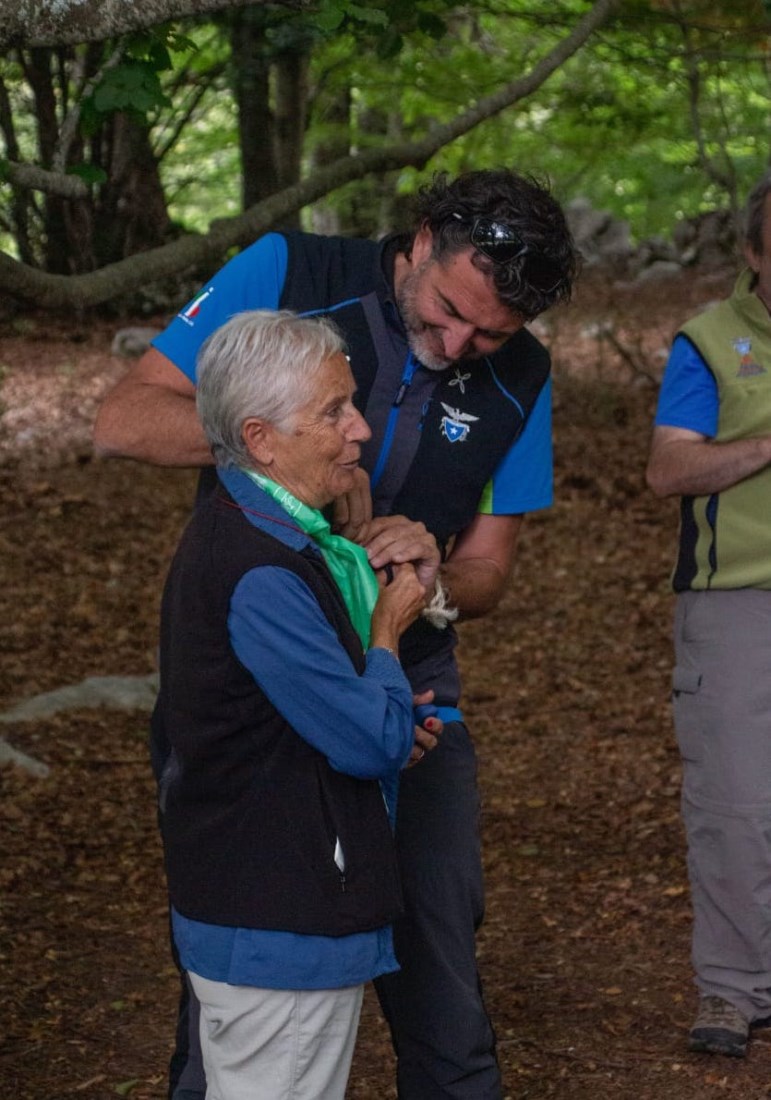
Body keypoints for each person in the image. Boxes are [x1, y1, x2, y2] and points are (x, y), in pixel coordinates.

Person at [95, 168, 578, 1100]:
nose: (456, 344)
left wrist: (433, 579)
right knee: (243, 970)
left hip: (415, 696)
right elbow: (123, 418)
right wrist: (290, 449)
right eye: (445, 312)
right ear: (425, 235)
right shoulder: (290, 271)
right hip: (254, 700)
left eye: (488, 334)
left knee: (439, 977)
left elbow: (489, 571)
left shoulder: (522, 379)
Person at [153, 308, 441, 1100]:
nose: (359, 431)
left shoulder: (261, 535)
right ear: (260, 439)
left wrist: (373, 705)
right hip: (278, 915)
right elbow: (369, 743)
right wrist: (386, 632)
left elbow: (286, 715)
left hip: (261, 899)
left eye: (351, 403)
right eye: (333, 412)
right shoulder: (263, 568)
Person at [646, 172, 771, 1059]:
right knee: (736, 806)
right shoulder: (711, 343)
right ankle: (732, 991)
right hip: (737, 601)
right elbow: (668, 472)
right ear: (753, 255)